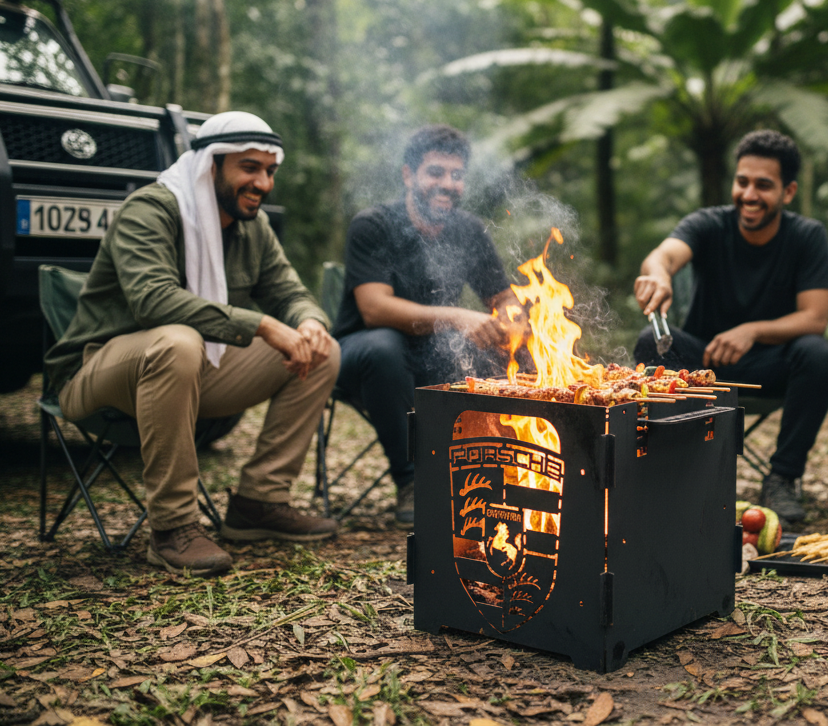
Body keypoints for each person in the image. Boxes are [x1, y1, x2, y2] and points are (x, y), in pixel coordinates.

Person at [46, 111, 340, 577]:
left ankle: (258, 503)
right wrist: (263, 325)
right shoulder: (151, 209)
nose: (262, 183)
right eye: (249, 168)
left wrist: (309, 322)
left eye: (269, 171)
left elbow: (289, 291)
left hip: (192, 371)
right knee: (179, 342)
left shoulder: (252, 226)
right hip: (95, 370)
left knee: (322, 351)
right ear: (212, 165)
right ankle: (173, 527)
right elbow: (152, 300)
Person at [633, 129, 828, 523]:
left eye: (764, 185)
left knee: (819, 354)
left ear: (788, 192)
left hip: (771, 367)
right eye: (742, 182)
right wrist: (658, 276)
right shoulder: (709, 224)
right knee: (650, 341)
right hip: (704, 363)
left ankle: (782, 477)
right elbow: (663, 256)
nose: (748, 195)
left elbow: (815, 317)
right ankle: (676, 471)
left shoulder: (807, 237)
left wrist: (752, 330)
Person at [332, 125, 528, 526]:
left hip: (433, 355)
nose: (448, 184)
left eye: (457, 175)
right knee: (385, 346)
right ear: (409, 175)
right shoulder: (374, 225)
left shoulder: (469, 230)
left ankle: (502, 472)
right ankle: (411, 480)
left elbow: (502, 296)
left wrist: (513, 321)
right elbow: (374, 309)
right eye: (435, 172)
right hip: (363, 356)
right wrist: (457, 316)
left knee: (504, 346)